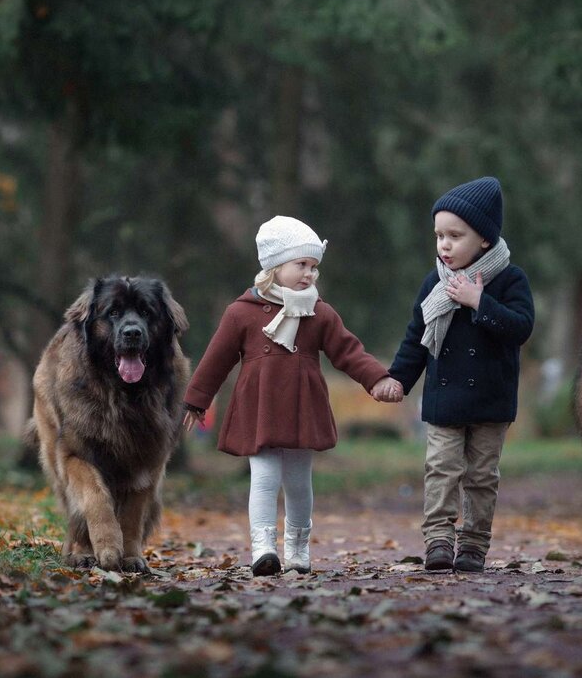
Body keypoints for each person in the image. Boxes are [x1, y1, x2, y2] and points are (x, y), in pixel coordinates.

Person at [184, 216, 402, 576]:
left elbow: (348, 351)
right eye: (301, 264)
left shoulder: (319, 312)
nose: (309, 274)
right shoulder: (241, 312)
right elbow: (216, 359)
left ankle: (297, 547)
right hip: (260, 409)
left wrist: (377, 379)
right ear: (274, 266)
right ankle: (263, 548)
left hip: (303, 407)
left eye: (314, 267)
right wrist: (196, 399)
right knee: (264, 478)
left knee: (299, 482)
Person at [380, 177, 534, 573]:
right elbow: (417, 336)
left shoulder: (509, 279)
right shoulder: (435, 282)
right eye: (439, 236)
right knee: (441, 470)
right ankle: (438, 540)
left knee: (482, 476)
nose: (444, 245)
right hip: (443, 399)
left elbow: (521, 328)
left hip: (490, 399)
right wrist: (398, 378)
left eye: (455, 235)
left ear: (484, 238)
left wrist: (479, 301)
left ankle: (474, 544)